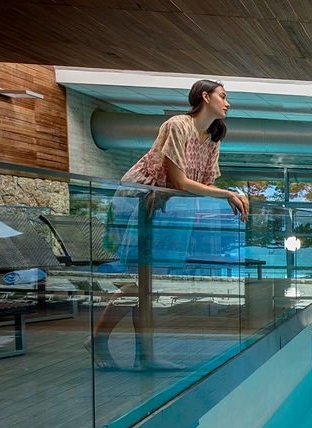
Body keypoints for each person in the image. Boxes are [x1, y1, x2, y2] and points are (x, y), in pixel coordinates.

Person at [89, 79, 249, 370]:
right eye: (223, 96)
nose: (227, 103)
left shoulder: (213, 137)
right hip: (143, 202)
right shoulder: (177, 126)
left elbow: (203, 184)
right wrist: (227, 194)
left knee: (147, 284)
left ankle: (142, 355)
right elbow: (179, 181)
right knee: (140, 282)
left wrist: (226, 195)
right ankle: (108, 343)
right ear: (205, 96)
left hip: (168, 207)